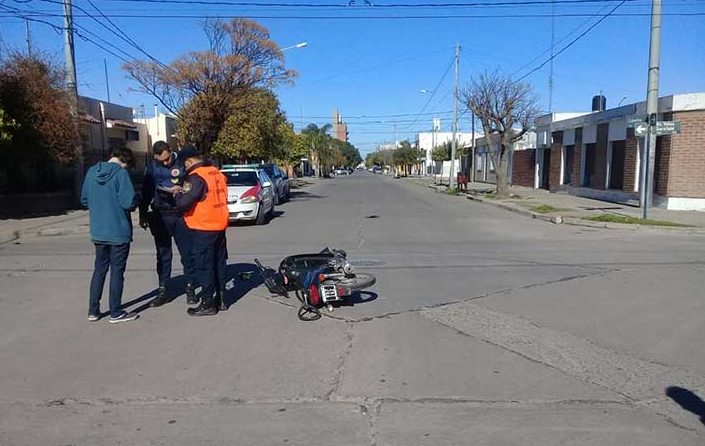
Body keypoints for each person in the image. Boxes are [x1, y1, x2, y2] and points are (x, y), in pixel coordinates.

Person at [80, 147, 139, 323]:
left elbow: (84, 200)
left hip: (98, 230)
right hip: (118, 231)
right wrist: (137, 199)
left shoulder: (91, 172)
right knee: (117, 272)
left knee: (99, 270)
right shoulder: (121, 174)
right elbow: (128, 202)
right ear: (125, 161)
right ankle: (115, 311)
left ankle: (93, 310)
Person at [139, 141, 196, 307]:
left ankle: (190, 287)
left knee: (188, 254)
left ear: (171, 151)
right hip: (160, 214)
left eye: (167, 159)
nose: (165, 163)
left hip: (180, 214)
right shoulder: (152, 167)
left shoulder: (183, 163)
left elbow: (194, 184)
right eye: (161, 161)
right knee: (163, 255)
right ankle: (163, 290)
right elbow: (146, 191)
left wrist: (182, 190)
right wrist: (142, 213)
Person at [174, 146, 229, 316]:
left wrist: (177, 194)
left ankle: (207, 303)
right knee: (218, 263)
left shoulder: (196, 178)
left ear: (189, 161)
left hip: (203, 227)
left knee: (204, 266)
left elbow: (184, 203)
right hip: (219, 225)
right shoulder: (216, 172)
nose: (185, 169)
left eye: (185, 165)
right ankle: (221, 299)